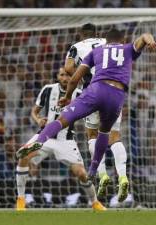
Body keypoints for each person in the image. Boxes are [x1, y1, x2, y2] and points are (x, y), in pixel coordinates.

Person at [16, 29, 156, 203]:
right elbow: (143, 37)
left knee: (66, 122)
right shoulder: (127, 49)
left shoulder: (95, 52)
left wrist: (67, 96)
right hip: (117, 95)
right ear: (122, 40)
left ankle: (41, 141)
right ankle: (117, 175)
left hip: (95, 90)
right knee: (109, 135)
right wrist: (149, 40)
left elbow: (73, 76)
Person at [15, 68, 106, 211]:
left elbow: (89, 114)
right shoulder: (48, 89)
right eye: (62, 75)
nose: (64, 78)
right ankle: (21, 199)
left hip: (66, 140)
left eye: (68, 75)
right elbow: (34, 111)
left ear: (74, 77)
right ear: (57, 76)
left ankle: (95, 202)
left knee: (82, 174)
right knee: (23, 157)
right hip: (44, 136)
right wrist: (38, 119)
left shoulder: (79, 94)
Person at [65, 23, 129, 201]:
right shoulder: (108, 43)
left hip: (93, 92)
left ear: (81, 34)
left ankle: (103, 175)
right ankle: (123, 176)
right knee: (114, 136)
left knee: (92, 135)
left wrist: (84, 73)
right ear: (97, 34)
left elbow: (69, 68)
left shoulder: (76, 47)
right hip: (114, 92)